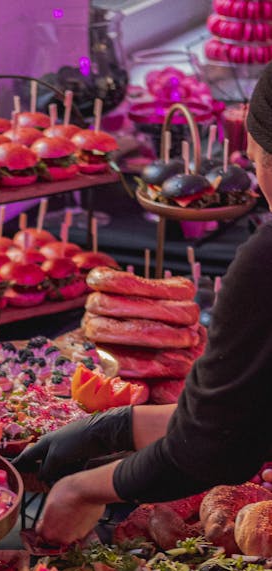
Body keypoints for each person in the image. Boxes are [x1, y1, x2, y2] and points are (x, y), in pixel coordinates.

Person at [15, 61, 272, 545]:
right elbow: (249, 415)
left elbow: (215, 450)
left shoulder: (266, 260)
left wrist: (80, 490)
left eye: (253, 158)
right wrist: (116, 427)